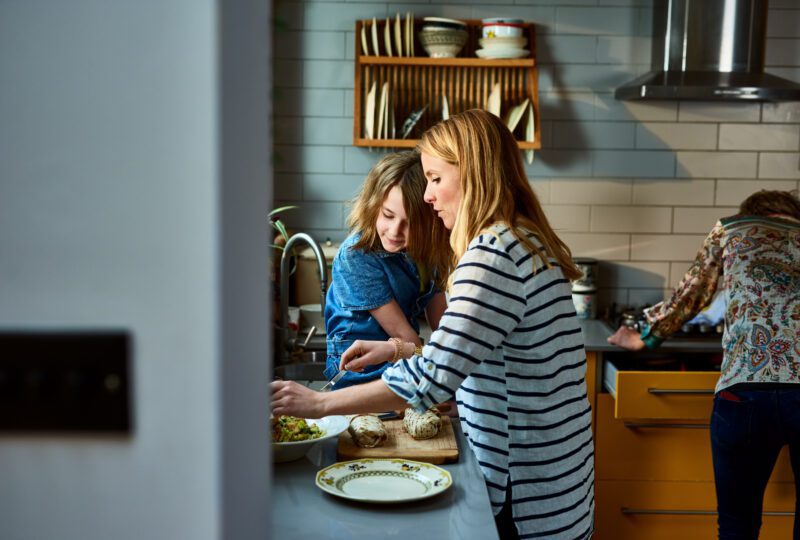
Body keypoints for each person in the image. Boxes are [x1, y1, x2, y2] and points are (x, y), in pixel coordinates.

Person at [272, 109, 595, 540]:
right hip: (557, 481)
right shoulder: (525, 239)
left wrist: (317, 405)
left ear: (474, 174)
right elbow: (467, 353)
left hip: (525, 492)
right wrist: (396, 350)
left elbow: (432, 380)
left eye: (435, 178)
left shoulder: (492, 255)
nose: (427, 195)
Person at [607, 190, 800, 539]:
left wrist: (646, 337)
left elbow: (692, 293)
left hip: (744, 392)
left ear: (752, 213)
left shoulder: (732, 229)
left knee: (737, 523)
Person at [323, 150, 450, 388]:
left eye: (409, 224)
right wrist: (441, 361)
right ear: (373, 206)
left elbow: (445, 330)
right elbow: (406, 338)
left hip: (404, 359)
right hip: (356, 372)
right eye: (388, 215)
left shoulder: (429, 251)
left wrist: (450, 360)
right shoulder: (356, 256)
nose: (394, 231)